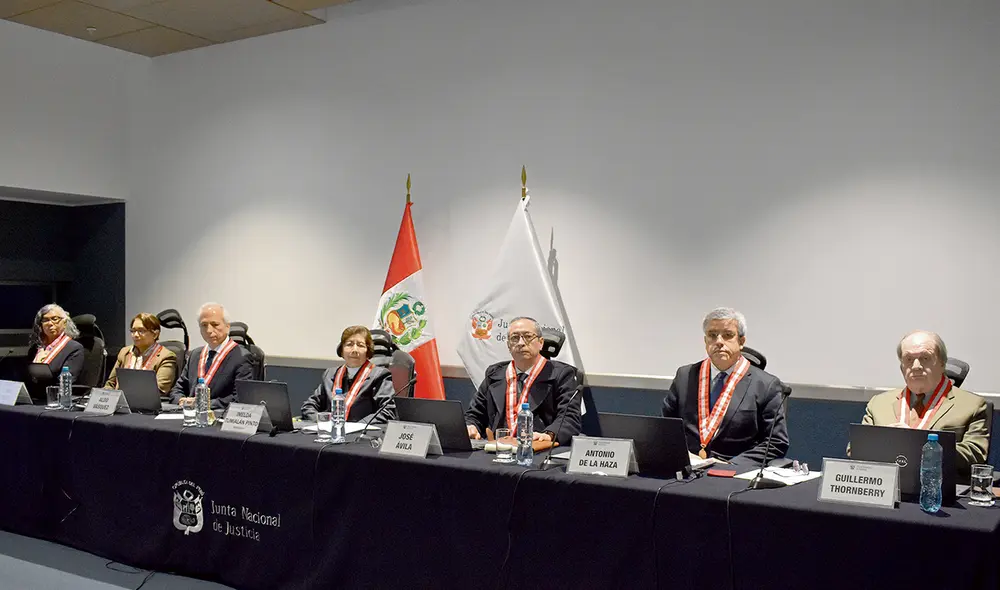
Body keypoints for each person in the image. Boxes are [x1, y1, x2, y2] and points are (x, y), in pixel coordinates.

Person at [662, 307, 788, 466]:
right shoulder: (685, 376)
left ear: (741, 342)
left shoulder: (766, 385)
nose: (719, 341)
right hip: (687, 468)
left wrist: (731, 466)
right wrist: (682, 454)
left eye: (728, 335)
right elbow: (667, 428)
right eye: (712, 336)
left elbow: (776, 442)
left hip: (733, 475)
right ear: (705, 341)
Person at [859, 330, 988, 476]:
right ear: (901, 368)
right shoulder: (878, 404)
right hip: (886, 488)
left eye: (925, 358)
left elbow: (975, 456)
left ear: (942, 364)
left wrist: (918, 443)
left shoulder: (972, 405)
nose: (916, 366)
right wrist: (887, 442)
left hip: (938, 489)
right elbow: (855, 449)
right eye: (908, 359)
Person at [465, 316, 582, 446]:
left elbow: (569, 418)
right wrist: (471, 426)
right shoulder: (494, 374)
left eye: (527, 336)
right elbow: (474, 414)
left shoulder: (562, 374)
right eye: (515, 338)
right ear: (508, 345)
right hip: (498, 449)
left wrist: (549, 435)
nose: (521, 343)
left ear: (541, 342)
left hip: (537, 450)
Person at [301, 326, 396, 425]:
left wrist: (357, 426)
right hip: (330, 433)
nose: (354, 350)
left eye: (360, 345)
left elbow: (387, 411)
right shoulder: (330, 374)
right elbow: (309, 406)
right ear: (341, 350)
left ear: (368, 351)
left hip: (362, 435)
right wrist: (323, 422)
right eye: (349, 345)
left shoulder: (380, 375)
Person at [169, 302, 252, 410]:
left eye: (215, 325)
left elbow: (239, 398)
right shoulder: (195, 355)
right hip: (188, 415)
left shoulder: (241, 357)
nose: (209, 330)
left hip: (217, 418)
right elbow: (177, 389)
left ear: (227, 327)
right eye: (204, 325)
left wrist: (202, 403)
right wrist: (181, 400)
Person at [105, 312, 178, 394]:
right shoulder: (125, 352)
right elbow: (110, 383)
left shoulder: (166, 356)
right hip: (120, 402)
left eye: (141, 331)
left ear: (155, 334)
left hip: (145, 404)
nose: (135, 335)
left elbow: (160, 389)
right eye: (133, 331)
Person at [25, 304, 85, 401]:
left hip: (56, 401)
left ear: (65, 323)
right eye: (45, 320)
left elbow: (65, 383)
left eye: (55, 319)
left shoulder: (74, 348)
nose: (50, 323)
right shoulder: (35, 349)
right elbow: (26, 377)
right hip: (31, 399)